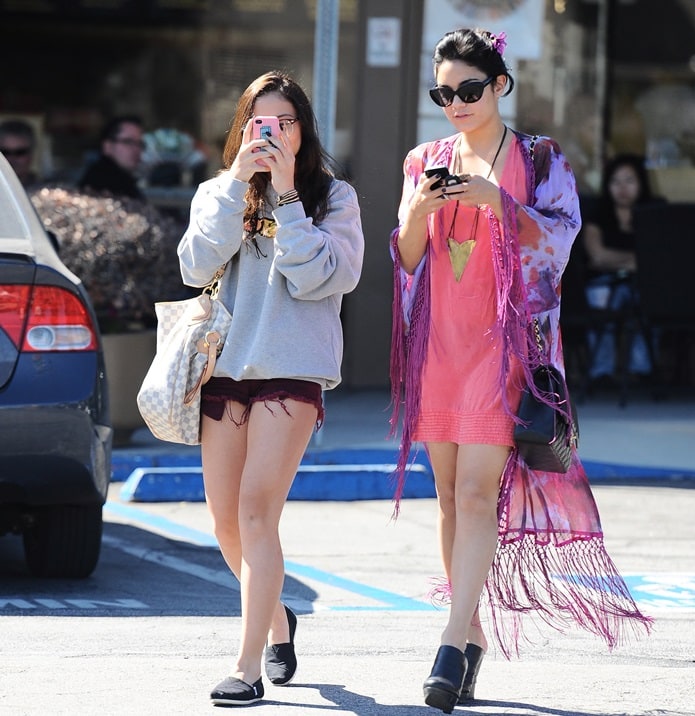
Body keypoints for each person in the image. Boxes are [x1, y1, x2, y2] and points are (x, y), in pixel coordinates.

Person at [388, 28, 651, 714]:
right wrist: (418, 210)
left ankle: (449, 641)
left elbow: (560, 241)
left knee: (476, 496)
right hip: (438, 347)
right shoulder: (424, 159)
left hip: (503, 351)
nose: (456, 104)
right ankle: (471, 635)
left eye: (468, 90)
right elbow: (408, 259)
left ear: (500, 85)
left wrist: (494, 201)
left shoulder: (539, 159)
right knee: (448, 498)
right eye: (443, 93)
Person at [177, 71, 363, 706]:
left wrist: (286, 199)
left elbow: (326, 280)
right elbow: (195, 264)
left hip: (292, 371)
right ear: (243, 128)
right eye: (262, 122)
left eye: (286, 123)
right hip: (224, 370)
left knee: (258, 510)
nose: (273, 133)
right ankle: (279, 621)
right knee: (228, 526)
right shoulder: (218, 192)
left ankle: (247, 665)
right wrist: (239, 185)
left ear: (303, 131)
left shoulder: (333, 198)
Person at [582, 154, 656, 384]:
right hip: (603, 282)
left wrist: (620, 260)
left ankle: (642, 370)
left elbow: (660, 259)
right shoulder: (597, 215)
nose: (623, 188)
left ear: (641, 183)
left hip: (644, 283)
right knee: (600, 301)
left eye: (629, 180)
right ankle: (601, 372)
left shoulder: (654, 214)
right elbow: (597, 255)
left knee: (654, 301)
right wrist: (634, 260)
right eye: (616, 181)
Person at [78, 114, 145, 199]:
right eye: (128, 142)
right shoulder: (103, 183)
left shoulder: (123, 180)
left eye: (139, 143)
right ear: (107, 146)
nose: (136, 149)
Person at [0, 118, 39, 188]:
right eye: (5, 152)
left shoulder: (45, 193)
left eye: (20, 152)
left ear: (31, 154)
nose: (11, 158)